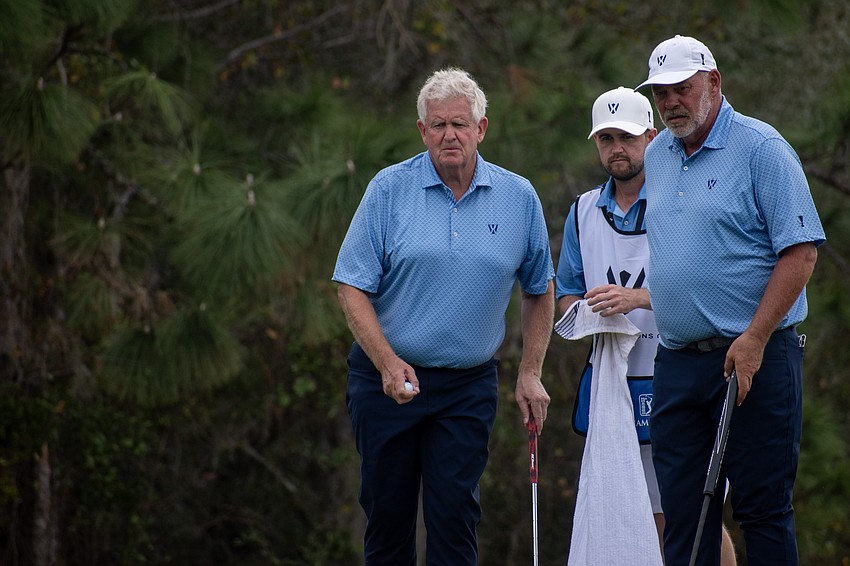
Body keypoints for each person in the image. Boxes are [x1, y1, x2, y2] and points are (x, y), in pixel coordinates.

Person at [332, 67, 555, 566]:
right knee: (388, 521)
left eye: (459, 124)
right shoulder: (389, 190)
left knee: (455, 519)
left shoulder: (518, 197)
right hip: (386, 380)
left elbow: (540, 289)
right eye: (438, 125)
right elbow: (351, 286)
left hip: (466, 386)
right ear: (422, 131)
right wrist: (387, 362)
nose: (449, 135)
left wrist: (530, 371)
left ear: (481, 129)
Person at [636, 35, 825, 565]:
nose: (670, 102)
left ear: (713, 82)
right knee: (683, 516)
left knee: (762, 511)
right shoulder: (657, 154)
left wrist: (755, 338)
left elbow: (801, 252)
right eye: (660, 93)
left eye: (682, 88)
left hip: (754, 357)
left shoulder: (762, 148)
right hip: (677, 363)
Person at [556, 86, 737, 564]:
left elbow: (709, 288)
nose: (616, 148)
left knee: (695, 517)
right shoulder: (582, 211)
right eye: (606, 138)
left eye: (627, 137)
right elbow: (567, 295)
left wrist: (636, 298)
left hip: (681, 374)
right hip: (614, 386)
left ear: (652, 138)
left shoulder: (681, 199)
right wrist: (589, 313)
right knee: (630, 518)